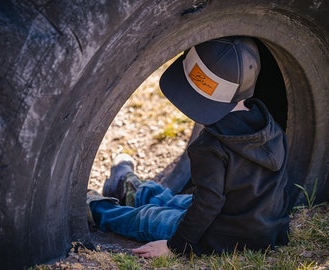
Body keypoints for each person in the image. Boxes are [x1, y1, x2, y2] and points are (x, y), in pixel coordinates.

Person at [87, 36, 290, 258]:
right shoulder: (270, 128)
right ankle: (131, 191)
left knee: (148, 217)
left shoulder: (211, 147)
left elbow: (208, 204)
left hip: (221, 237)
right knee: (175, 201)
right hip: (258, 227)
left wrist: (176, 246)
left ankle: (96, 209)